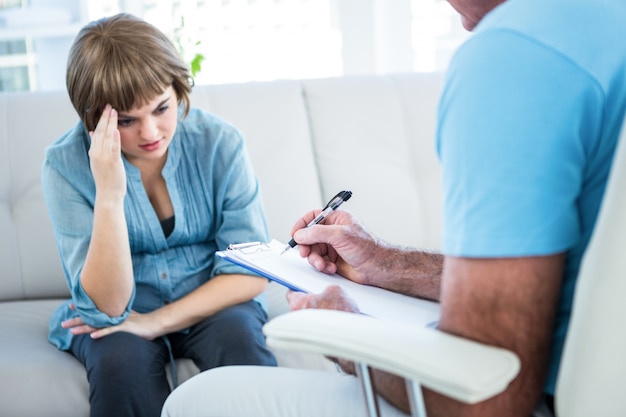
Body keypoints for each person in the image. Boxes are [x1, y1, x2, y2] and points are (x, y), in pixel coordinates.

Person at [160, 0, 626, 416]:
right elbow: (554, 277)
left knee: (197, 400)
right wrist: (385, 263)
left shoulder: (511, 55)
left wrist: (346, 337)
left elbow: (486, 400)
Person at [41, 13, 277, 417]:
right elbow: (108, 309)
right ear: (93, 118)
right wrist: (110, 195)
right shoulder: (64, 165)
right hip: (123, 311)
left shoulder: (220, 143)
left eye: (162, 108)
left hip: (211, 299)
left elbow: (252, 269)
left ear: (178, 88)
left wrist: (156, 322)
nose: (150, 133)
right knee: (120, 365)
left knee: (241, 342)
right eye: (128, 120)